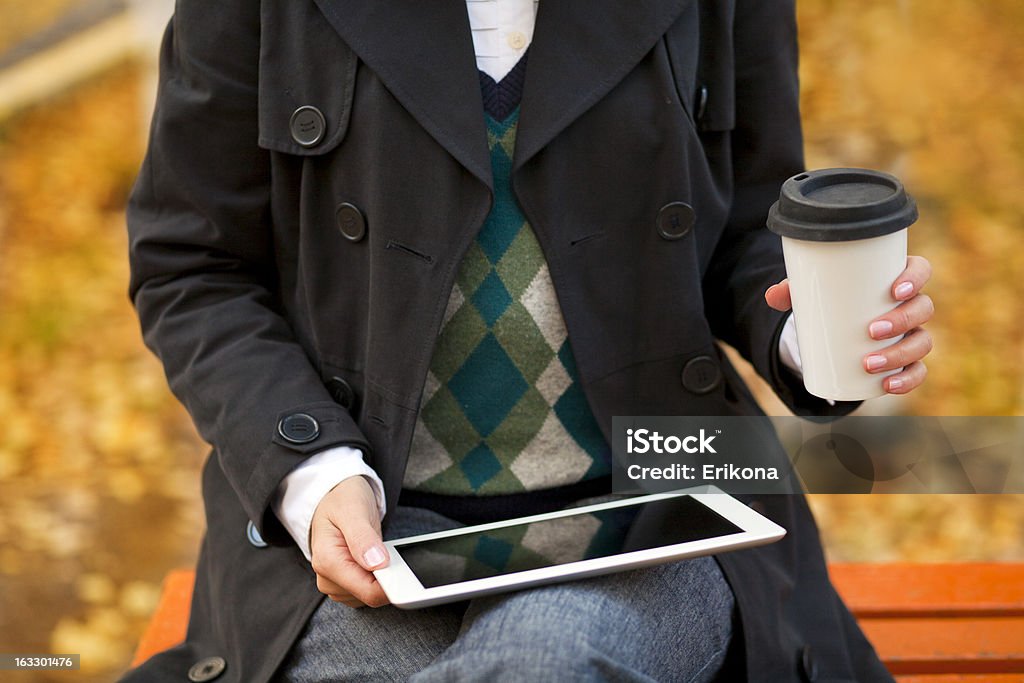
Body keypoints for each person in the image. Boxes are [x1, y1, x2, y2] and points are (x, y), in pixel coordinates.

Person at [122, 1, 934, 681]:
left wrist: (807, 332)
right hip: (354, 541)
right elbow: (193, 264)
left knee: (546, 659)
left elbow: (749, 227)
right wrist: (312, 473)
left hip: (660, 517)